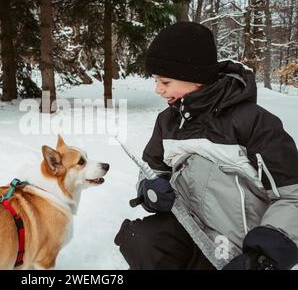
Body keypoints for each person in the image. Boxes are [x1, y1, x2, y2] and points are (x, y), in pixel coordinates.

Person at [114, 22, 298, 270]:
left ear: (195, 77)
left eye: (165, 82)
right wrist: (149, 188)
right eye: (155, 81)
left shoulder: (253, 123)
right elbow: (152, 169)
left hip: (237, 245)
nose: (158, 90)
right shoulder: (168, 122)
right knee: (144, 240)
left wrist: (264, 256)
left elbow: (291, 197)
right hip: (187, 229)